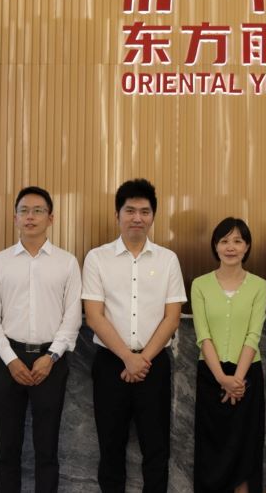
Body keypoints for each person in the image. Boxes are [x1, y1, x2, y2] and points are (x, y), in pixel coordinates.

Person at [82, 178, 186, 493]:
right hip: (111, 364)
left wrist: (142, 359)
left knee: (156, 448)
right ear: (117, 215)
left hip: (154, 364)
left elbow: (172, 317)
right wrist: (128, 357)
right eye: (130, 211)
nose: (137, 218)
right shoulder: (97, 258)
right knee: (110, 446)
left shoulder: (168, 259)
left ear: (153, 216)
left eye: (144, 211)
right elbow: (94, 315)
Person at [0, 186, 83, 493]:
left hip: (50, 362)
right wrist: (11, 360)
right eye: (24, 211)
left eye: (38, 211)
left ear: (51, 218)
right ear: (15, 218)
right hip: (7, 361)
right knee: (7, 449)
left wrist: (51, 357)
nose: (30, 217)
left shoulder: (67, 263)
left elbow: (73, 316)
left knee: (47, 449)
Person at [191, 218, 266, 493]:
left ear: (247, 246)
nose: (231, 247)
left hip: (247, 376)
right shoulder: (200, 284)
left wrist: (236, 380)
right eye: (224, 241)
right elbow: (203, 336)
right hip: (211, 376)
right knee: (212, 449)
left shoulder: (259, 285)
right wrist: (223, 379)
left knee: (245, 449)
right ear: (215, 246)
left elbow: (253, 335)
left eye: (237, 241)